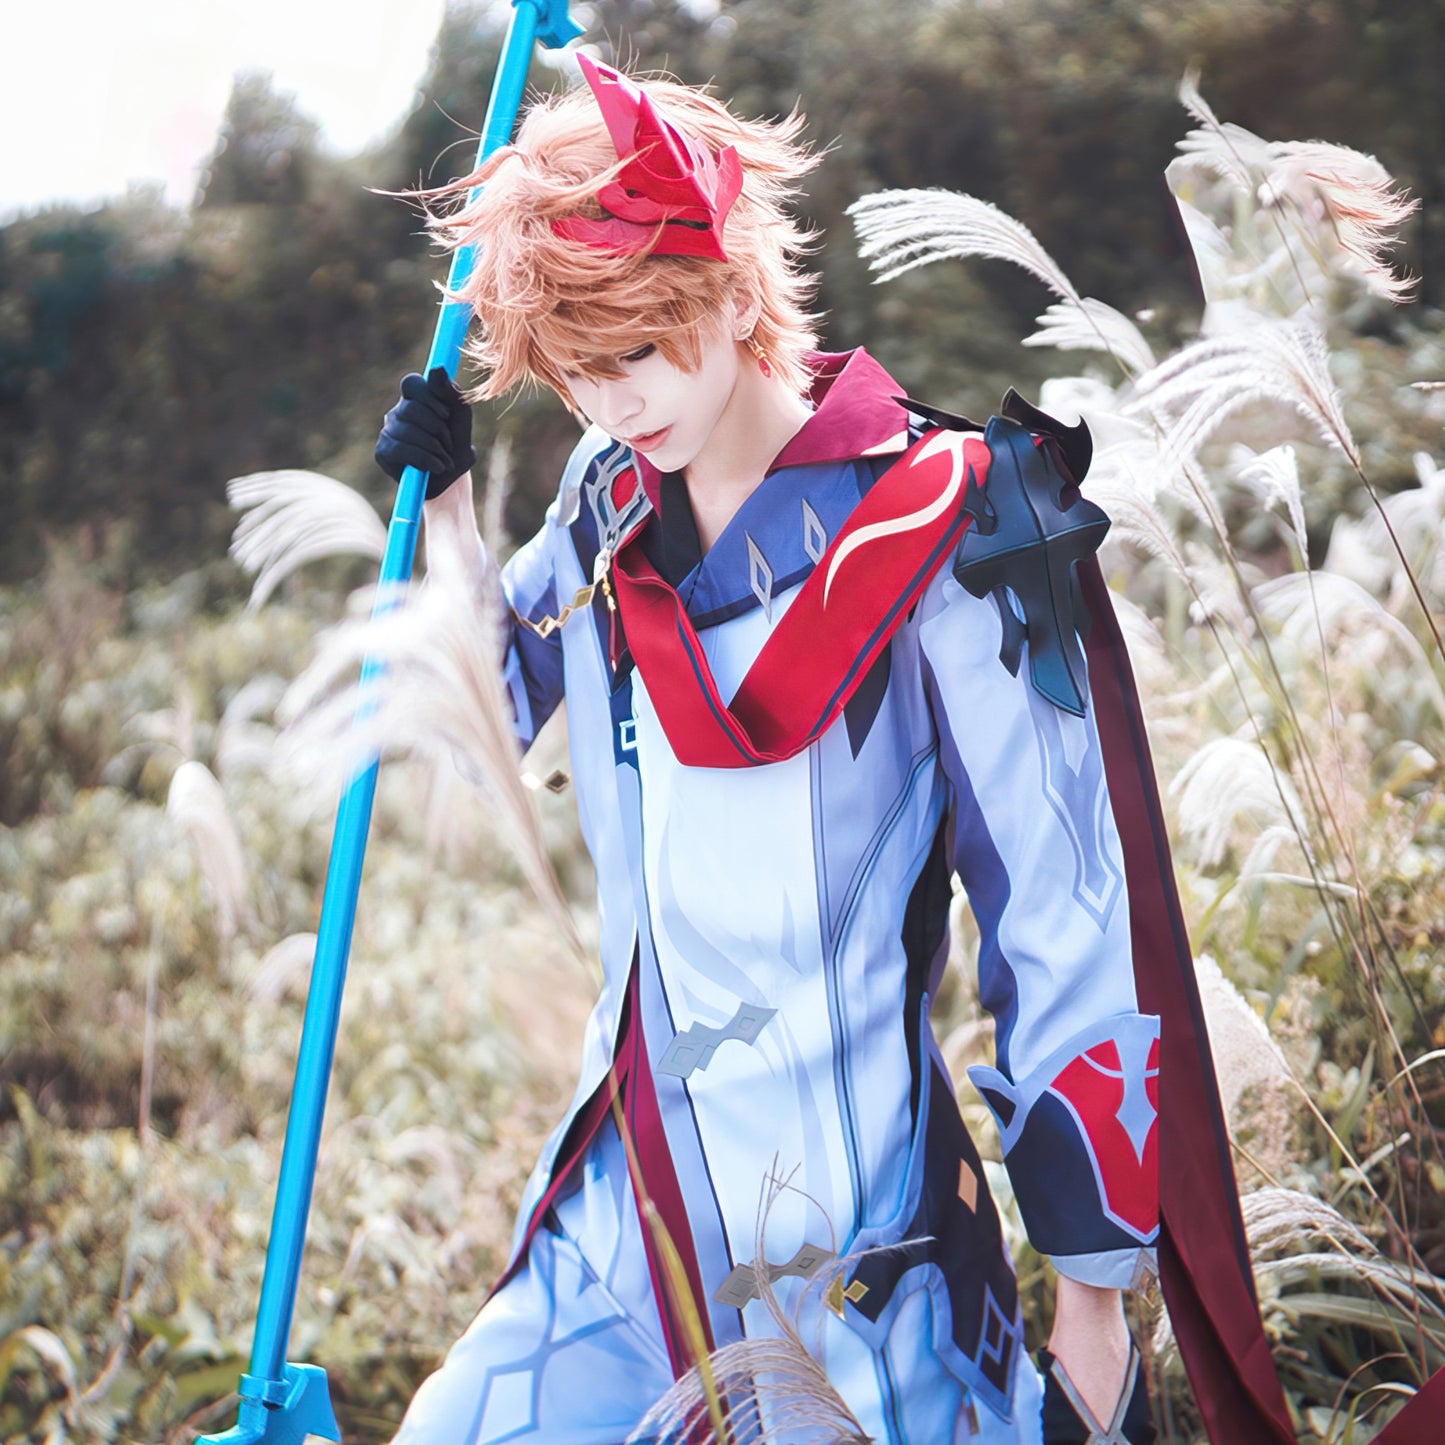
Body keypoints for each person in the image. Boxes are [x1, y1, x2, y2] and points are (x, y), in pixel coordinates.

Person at [374, 56, 1167, 1445]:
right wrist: (444, 515)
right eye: (578, 372)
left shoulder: (950, 526)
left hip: (856, 1253)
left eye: (636, 351)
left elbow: (1063, 914)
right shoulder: (606, 503)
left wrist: (1093, 1305)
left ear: (733, 292)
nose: (614, 404)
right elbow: (486, 718)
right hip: (634, 1210)